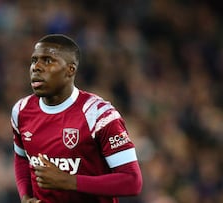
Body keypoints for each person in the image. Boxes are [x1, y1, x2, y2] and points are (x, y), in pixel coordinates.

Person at [11, 34, 143, 203]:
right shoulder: (21, 111)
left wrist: (69, 181)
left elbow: (132, 181)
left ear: (70, 69)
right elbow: (22, 158)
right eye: (34, 60)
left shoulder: (99, 115)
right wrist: (25, 196)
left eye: (48, 60)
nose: (36, 67)